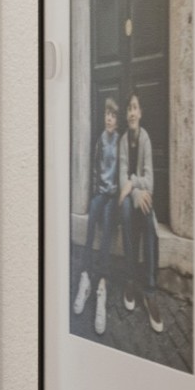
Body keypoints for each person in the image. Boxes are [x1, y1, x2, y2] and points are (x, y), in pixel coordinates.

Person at [72, 96, 122, 335]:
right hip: (101, 193)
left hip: (113, 196)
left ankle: (102, 282)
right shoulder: (100, 141)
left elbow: (121, 171)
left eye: (113, 115)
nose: (109, 119)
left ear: (118, 120)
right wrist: (95, 191)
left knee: (108, 221)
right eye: (106, 115)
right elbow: (95, 168)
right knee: (92, 217)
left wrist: (117, 195)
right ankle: (85, 276)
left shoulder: (120, 142)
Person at [118, 93, 165, 333]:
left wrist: (133, 185)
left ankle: (149, 290)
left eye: (135, 108)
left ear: (141, 113)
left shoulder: (145, 139)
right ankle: (129, 279)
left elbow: (150, 183)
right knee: (127, 209)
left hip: (141, 200)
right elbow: (121, 181)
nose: (132, 113)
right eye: (129, 109)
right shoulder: (123, 141)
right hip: (129, 202)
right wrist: (133, 191)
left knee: (146, 209)